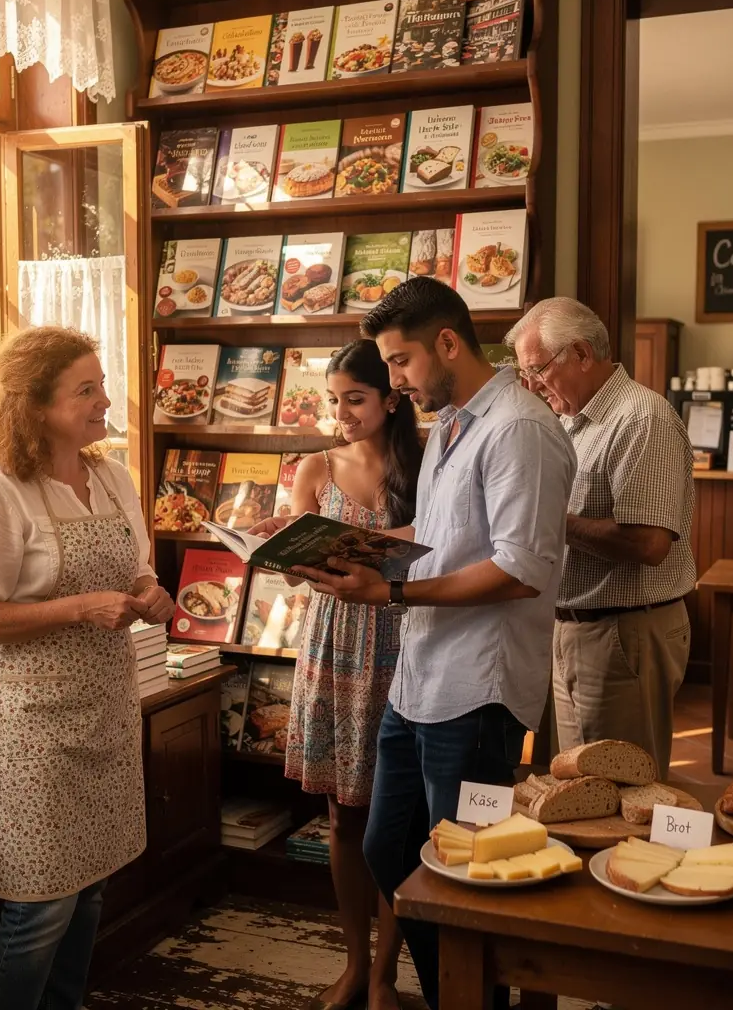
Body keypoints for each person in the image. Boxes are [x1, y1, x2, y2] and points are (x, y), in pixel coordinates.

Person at [259, 277, 575, 1010]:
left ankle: (469, 998)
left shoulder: (518, 428)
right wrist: (345, 546)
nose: (393, 381)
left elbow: (520, 571)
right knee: (389, 850)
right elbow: (434, 539)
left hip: (478, 689)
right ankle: (452, 994)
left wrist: (389, 592)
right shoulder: (456, 422)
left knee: (464, 869)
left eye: (399, 363)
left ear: (447, 343)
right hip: (420, 676)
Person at [0, 327, 174, 1010]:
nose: (106, 401)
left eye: (101, 384)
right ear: (36, 406)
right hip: (28, 722)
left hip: (105, 703)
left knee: (92, 886)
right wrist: (74, 609)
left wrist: (149, 593)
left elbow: (135, 568)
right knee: (39, 905)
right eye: (86, 389)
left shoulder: (111, 475)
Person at [281, 339, 422, 1010]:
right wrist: (284, 553)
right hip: (333, 647)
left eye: (355, 399)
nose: (340, 412)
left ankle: (389, 974)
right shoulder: (314, 467)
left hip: (405, 642)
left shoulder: (423, 463)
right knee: (342, 816)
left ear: (392, 398)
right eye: (333, 400)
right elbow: (295, 568)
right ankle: (355, 962)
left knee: (398, 823)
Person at [504, 297, 695, 777]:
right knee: (585, 784)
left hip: (624, 630)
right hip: (579, 628)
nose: (530, 383)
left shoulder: (640, 418)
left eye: (537, 368)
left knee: (621, 789)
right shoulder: (570, 420)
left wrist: (551, 517)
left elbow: (649, 545)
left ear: (582, 354)